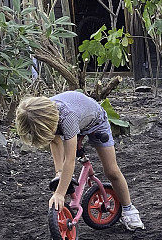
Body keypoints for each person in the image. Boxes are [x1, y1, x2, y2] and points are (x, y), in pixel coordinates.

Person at [15, 91, 145, 231]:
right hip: (69, 120)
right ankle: (60, 173)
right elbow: (54, 140)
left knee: (111, 170)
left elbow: (69, 161)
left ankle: (128, 209)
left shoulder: (67, 117)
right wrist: (59, 173)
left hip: (96, 123)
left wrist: (59, 193)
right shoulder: (40, 113)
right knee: (57, 153)